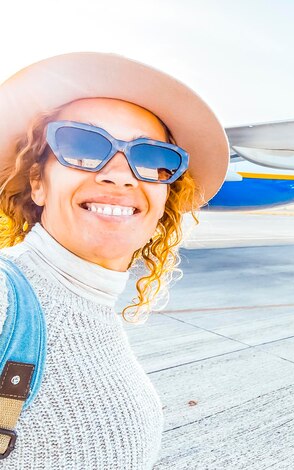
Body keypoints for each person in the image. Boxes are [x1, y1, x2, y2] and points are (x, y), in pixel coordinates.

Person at [0, 53, 229, 467]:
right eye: (82, 147)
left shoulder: (92, 308)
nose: (120, 175)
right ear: (38, 182)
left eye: (151, 159)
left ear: (164, 199)